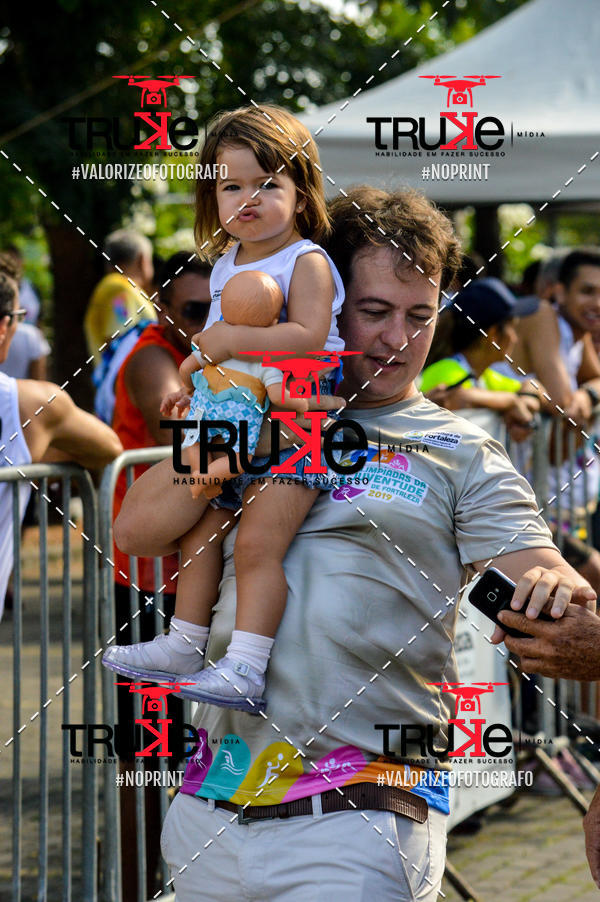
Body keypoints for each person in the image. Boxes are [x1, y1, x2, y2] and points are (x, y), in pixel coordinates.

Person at [114, 185, 596, 902]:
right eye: (373, 312)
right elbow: (135, 528)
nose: (398, 338)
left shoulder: (462, 452)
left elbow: (543, 577)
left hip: (362, 818)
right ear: (325, 304)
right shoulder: (252, 399)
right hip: (210, 812)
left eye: (420, 316)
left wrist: (569, 605)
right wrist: (251, 436)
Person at [103, 104, 345, 714]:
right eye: (231, 185)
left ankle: (246, 665)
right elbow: (211, 346)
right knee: (203, 528)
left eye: (268, 184)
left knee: (260, 541)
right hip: (233, 415)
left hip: (300, 421)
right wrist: (188, 385)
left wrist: (235, 343)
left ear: (302, 191)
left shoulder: (306, 260)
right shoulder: (226, 267)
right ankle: (185, 642)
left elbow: (310, 335)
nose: (249, 199)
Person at [109, 250, 213, 901]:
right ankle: (140, 888)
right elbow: (178, 437)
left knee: (199, 750)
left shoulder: (216, 357)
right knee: (148, 757)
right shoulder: (153, 356)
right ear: (165, 310)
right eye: (194, 312)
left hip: (204, 584)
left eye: (218, 309)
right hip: (152, 587)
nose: (206, 324)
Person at [0, 253, 122, 618]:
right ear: (3, 327)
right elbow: (108, 449)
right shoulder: (31, 404)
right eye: (19, 320)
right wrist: (35, 454)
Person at [419, 277, 541, 442]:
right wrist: (511, 402)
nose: (515, 339)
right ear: (493, 335)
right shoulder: (444, 369)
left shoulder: (484, 375)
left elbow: (534, 386)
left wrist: (527, 397)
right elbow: (455, 399)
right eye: (513, 328)